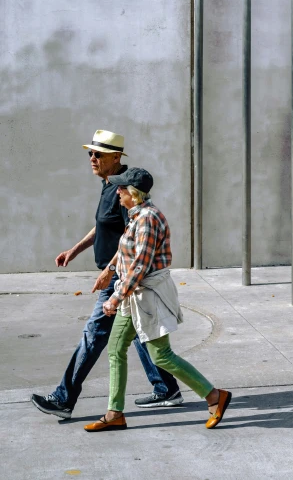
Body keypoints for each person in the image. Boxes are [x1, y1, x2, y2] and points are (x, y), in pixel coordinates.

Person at [31, 130, 182, 420]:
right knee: (139, 333)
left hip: (118, 277)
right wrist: (74, 250)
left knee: (93, 335)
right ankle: (166, 388)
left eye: (98, 154)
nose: (92, 158)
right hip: (114, 274)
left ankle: (64, 398)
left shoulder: (124, 189)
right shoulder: (109, 184)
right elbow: (102, 226)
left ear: (116, 157)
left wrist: (110, 272)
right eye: (90, 153)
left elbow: (131, 236)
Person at [84, 167, 232, 432]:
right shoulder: (136, 216)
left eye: (121, 188)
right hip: (134, 296)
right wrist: (111, 272)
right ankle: (114, 413)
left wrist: (115, 299)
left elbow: (140, 265)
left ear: (134, 193)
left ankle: (214, 396)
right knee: (116, 349)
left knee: (161, 355)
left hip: (147, 296)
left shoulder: (148, 219)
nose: (116, 191)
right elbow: (126, 254)